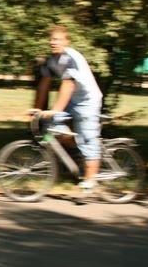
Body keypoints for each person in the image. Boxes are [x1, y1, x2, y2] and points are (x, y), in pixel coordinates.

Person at [33, 25, 103, 191]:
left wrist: (56, 109)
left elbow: (67, 85)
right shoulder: (51, 60)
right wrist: (37, 109)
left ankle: (90, 182)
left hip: (88, 101)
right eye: (51, 39)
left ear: (66, 41)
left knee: (87, 139)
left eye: (57, 39)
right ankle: (78, 153)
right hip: (72, 99)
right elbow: (44, 85)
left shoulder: (70, 58)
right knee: (51, 124)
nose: (53, 42)